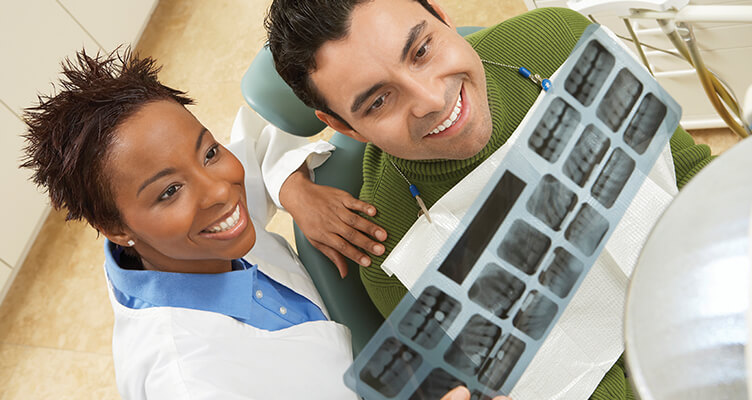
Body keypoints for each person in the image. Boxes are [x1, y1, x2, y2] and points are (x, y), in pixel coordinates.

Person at [265, 0, 715, 399]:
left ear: (442, 15)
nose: (431, 98)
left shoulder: (563, 42)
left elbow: (689, 171)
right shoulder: (389, 247)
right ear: (344, 126)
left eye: (422, 51)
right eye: (380, 100)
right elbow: (539, 382)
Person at [19, 49, 506, 400]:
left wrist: (292, 189)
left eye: (207, 152)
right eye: (169, 192)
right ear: (114, 226)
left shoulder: (184, 233)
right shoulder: (193, 381)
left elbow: (257, 135)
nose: (219, 189)